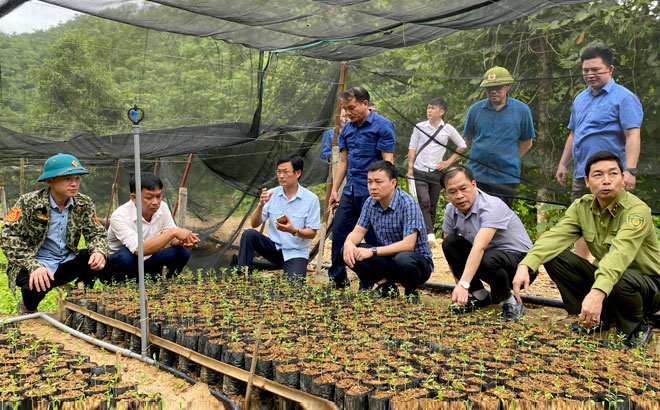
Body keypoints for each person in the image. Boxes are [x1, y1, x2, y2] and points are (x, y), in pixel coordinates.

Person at [513, 151, 660, 349]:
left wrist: (597, 292)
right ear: (588, 182)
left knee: (617, 274)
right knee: (556, 257)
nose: (606, 181)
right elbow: (554, 238)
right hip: (612, 280)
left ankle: (635, 326)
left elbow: (620, 254)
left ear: (623, 178)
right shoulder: (582, 207)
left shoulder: (636, 211)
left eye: (613, 174)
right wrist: (526, 264)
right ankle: (599, 317)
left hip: (649, 286)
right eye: (598, 175)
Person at [555, 44, 643, 259]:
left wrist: (629, 170)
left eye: (596, 69)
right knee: (581, 220)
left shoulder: (624, 97)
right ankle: (582, 268)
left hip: (611, 175)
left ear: (610, 69)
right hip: (583, 174)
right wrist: (562, 164)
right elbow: (574, 134)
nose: (590, 74)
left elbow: (633, 135)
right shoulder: (580, 99)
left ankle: (613, 269)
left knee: (615, 222)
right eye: (586, 70)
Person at [0, 154, 108, 314]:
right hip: (35, 261)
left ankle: (79, 299)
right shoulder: (28, 203)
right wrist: (33, 265)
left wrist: (99, 251)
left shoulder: (83, 203)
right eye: (67, 179)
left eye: (77, 178)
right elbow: (8, 236)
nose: (74, 184)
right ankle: (27, 306)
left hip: (66, 260)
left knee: (94, 259)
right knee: (33, 287)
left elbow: (96, 233)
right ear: (50, 181)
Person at [440, 165, 533, 321]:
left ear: (474, 185)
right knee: (450, 243)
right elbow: (451, 251)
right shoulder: (451, 210)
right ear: (446, 194)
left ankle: (510, 302)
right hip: (489, 259)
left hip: (520, 265)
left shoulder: (491, 206)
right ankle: (478, 296)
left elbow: (479, 246)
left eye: (464, 188)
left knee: (486, 256)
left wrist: (463, 284)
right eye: (453, 192)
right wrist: (461, 287)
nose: (460, 196)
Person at [327, 86, 396, 288]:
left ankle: (377, 281)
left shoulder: (382, 126)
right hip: (350, 191)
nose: (347, 113)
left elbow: (387, 161)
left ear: (365, 103)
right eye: (345, 109)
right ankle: (338, 279)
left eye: (351, 107)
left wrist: (386, 194)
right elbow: (343, 161)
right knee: (340, 233)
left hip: (373, 194)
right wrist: (334, 189)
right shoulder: (346, 129)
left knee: (374, 237)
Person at [341, 160, 432, 301]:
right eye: (370, 182)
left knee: (404, 258)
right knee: (347, 250)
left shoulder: (408, 203)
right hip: (388, 259)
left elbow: (408, 245)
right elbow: (357, 232)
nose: (373, 187)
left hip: (416, 264)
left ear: (393, 183)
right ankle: (386, 287)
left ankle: (411, 292)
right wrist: (348, 244)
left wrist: (372, 251)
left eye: (378, 182)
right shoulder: (370, 203)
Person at [237, 154, 320, 283]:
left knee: (294, 285)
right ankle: (241, 275)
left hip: (295, 251)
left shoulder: (311, 199)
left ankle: (292, 270)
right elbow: (254, 224)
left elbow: (312, 233)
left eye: (285, 172)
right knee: (249, 234)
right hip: (273, 248)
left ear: (298, 173)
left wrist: (293, 230)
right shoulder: (272, 194)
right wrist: (260, 206)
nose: (281, 176)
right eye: (279, 172)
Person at [463, 66, 536, 207]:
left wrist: (509, 158)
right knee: (475, 213)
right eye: (489, 88)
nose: (493, 91)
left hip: (506, 177)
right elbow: (468, 140)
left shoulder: (522, 110)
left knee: (501, 217)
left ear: (507, 86)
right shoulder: (475, 110)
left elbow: (527, 142)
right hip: (477, 175)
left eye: (498, 87)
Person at [106, 173, 199, 282]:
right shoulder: (120, 216)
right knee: (126, 256)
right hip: (120, 266)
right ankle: (122, 287)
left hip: (148, 261)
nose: (155, 202)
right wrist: (173, 232)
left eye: (158, 196)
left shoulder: (162, 207)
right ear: (134, 198)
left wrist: (182, 241)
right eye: (149, 197)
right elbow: (139, 250)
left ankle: (165, 285)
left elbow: (172, 238)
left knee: (182, 252)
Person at [407, 97, 467, 246]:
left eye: (433, 108)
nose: (429, 110)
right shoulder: (419, 126)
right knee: (424, 202)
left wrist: (448, 162)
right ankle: (429, 233)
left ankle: (427, 235)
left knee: (432, 204)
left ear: (441, 112)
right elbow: (412, 147)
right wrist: (410, 168)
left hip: (436, 172)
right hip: (419, 169)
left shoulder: (448, 129)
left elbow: (462, 145)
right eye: (428, 107)